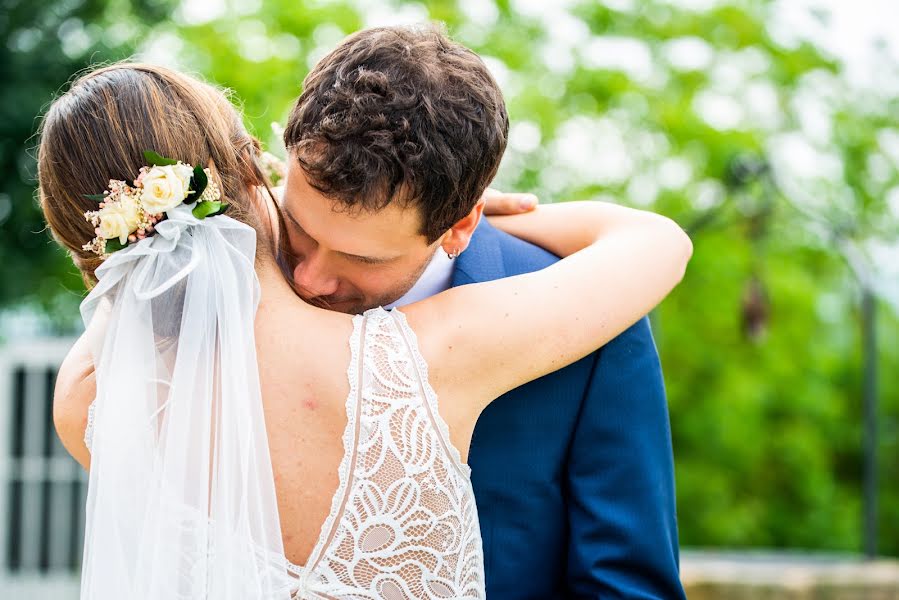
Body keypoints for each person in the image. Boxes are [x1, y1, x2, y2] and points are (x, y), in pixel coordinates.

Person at [43, 64, 689, 600]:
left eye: (363, 256)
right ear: (262, 166)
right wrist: (464, 216)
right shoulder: (433, 355)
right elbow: (656, 238)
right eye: (302, 227)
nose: (318, 278)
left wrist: (455, 218)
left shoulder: (89, 402)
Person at [279, 26, 687, 598]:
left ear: (460, 225)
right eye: (298, 227)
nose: (306, 277)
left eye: (359, 257)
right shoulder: (237, 273)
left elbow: (625, 585)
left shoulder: (593, 314)